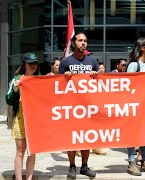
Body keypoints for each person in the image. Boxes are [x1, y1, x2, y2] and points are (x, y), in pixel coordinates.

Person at [58, 32, 98, 178]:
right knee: (72, 139)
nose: (83, 43)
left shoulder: (92, 62)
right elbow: (57, 87)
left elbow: (100, 87)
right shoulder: (65, 62)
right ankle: (72, 166)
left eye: (85, 41)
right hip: (71, 108)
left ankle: (85, 166)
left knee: (87, 138)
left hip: (88, 108)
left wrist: (95, 76)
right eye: (80, 40)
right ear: (73, 43)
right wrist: (65, 78)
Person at [125, 37, 145, 176]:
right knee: (133, 134)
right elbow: (127, 85)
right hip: (135, 105)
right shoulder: (134, 65)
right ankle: (132, 162)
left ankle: (144, 161)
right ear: (142, 48)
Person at [5, 52, 40, 180]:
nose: (33, 66)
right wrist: (14, 89)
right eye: (30, 63)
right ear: (24, 64)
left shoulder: (40, 80)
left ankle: (29, 178)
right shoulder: (16, 79)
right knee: (20, 151)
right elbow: (8, 100)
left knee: (33, 152)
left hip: (35, 122)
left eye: (35, 63)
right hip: (20, 121)